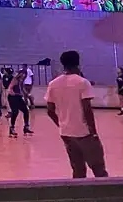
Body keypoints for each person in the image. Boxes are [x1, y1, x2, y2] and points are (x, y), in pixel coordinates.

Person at [45, 51, 107, 179]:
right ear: (78, 63)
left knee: (78, 170)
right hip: (84, 132)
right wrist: (93, 132)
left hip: (66, 133)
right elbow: (87, 109)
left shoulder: (53, 84)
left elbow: (50, 110)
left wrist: (61, 124)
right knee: (98, 169)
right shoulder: (82, 82)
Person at [7, 70, 32, 137]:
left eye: (25, 75)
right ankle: (12, 128)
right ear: (20, 74)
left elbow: (22, 89)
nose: (24, 76)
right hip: (12, 97)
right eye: (23, 75)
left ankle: (26, 127)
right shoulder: (15, 80)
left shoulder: (21, 81)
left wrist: (28, 94)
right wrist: (11, 91)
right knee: (15, 112)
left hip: (18, 97)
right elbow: (10, 88)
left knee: (26, 111)